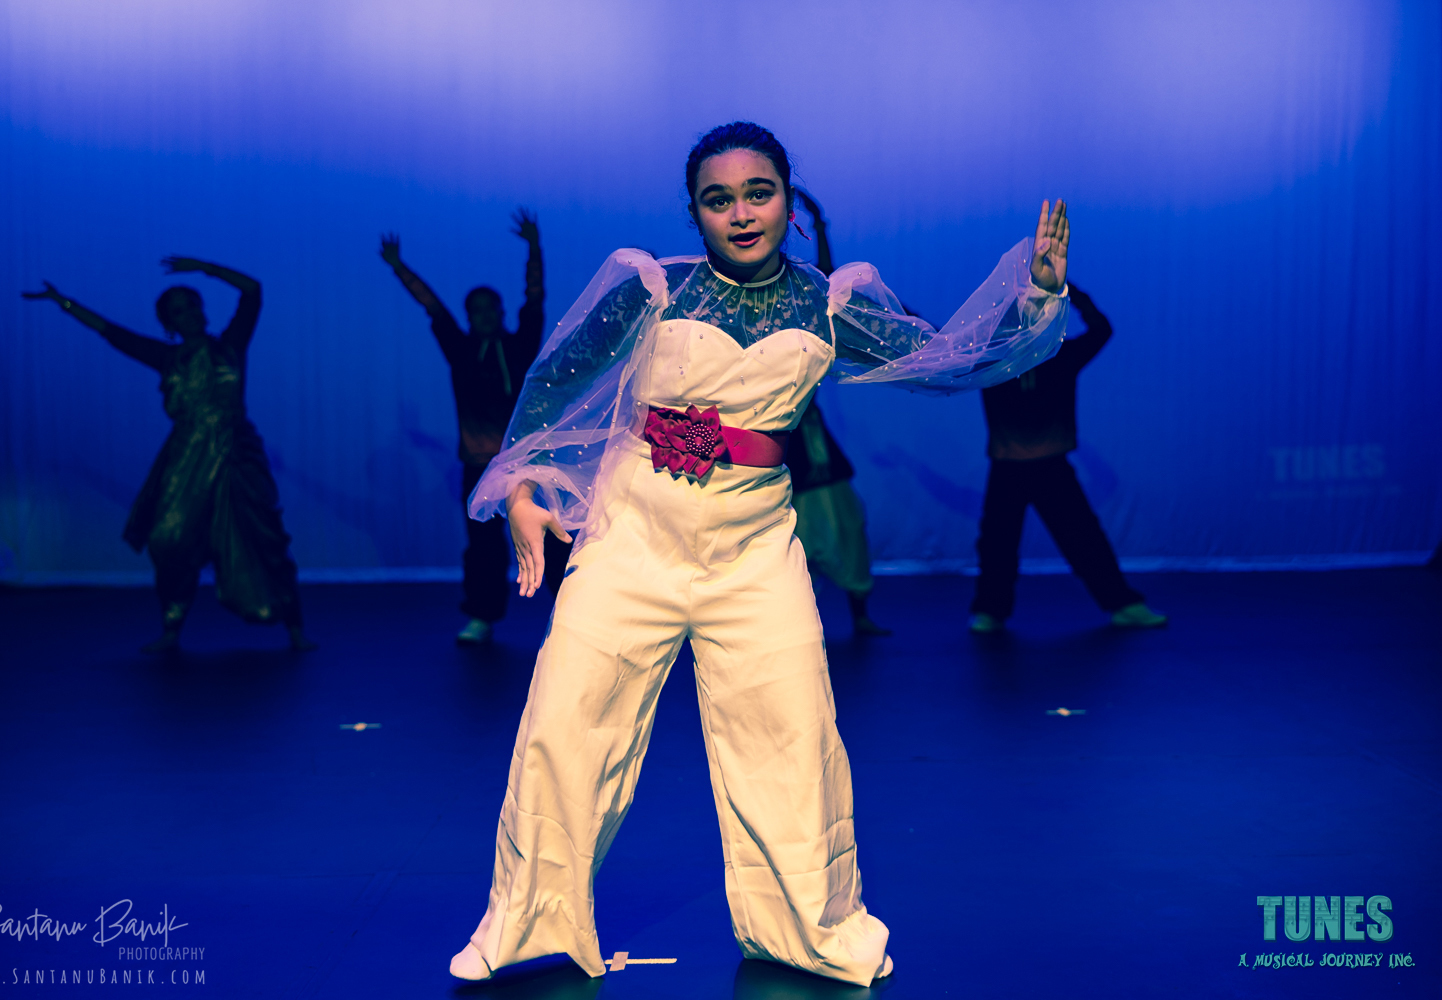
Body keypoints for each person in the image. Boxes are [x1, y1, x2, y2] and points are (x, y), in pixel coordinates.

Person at [450, 121, 1072, 987]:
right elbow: (554, 387)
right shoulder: (652, 288)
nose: (741, 213)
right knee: (565, 725)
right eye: (718, 200)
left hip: (752, 552)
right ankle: (521, 926)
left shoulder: (830, 304)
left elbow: (946, 359)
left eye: (758, 193)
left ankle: (813, 932)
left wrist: (1034, 296)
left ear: (787, 200)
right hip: (633, 539)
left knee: (791, 738)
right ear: (695, 212)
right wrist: (522, 488)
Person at [22, 258, 313, 652]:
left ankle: (293, 626)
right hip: (186, 457)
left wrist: (202, 267)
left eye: (193, 305)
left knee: (263, 537)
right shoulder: (166, 357)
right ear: (169, 323)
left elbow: (252, 291)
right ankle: (171, 627)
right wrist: (64, 302)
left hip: (234, 453)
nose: (189, 314)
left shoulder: (230, 345)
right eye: (179, 311)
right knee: (169, 540)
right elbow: (112, 333)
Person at [380, 211, 571, 645]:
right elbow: (431, 305)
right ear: (469, 316)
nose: (485, 315)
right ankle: (482, 616)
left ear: (500, 311)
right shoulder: (461, 350)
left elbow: (534, 299)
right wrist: (399, 267)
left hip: (527, 461)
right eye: (476, 311)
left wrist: (534, 248)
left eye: (490, 308)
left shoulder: (519, 345)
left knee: (551, 534)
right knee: (483, 545)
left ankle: (570, 611)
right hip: (480, 463)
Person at [968, 283, 1167, 632]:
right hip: (1009, 464)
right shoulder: (993, 361)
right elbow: (938, 348)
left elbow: (1101, 330)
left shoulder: (1058, 356)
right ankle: (990, 611)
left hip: (1048, 464)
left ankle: (1122, 603)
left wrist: (1067, 289)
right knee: (998, 542)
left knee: (1081, 536)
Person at [785, 187, 890, 636]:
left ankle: (860, 615)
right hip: (788, 456)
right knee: (796, 548)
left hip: (818, 452)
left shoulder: (807, 312)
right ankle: (797, 624)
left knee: (848, 531)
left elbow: (828, 289)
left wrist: (821, 225)